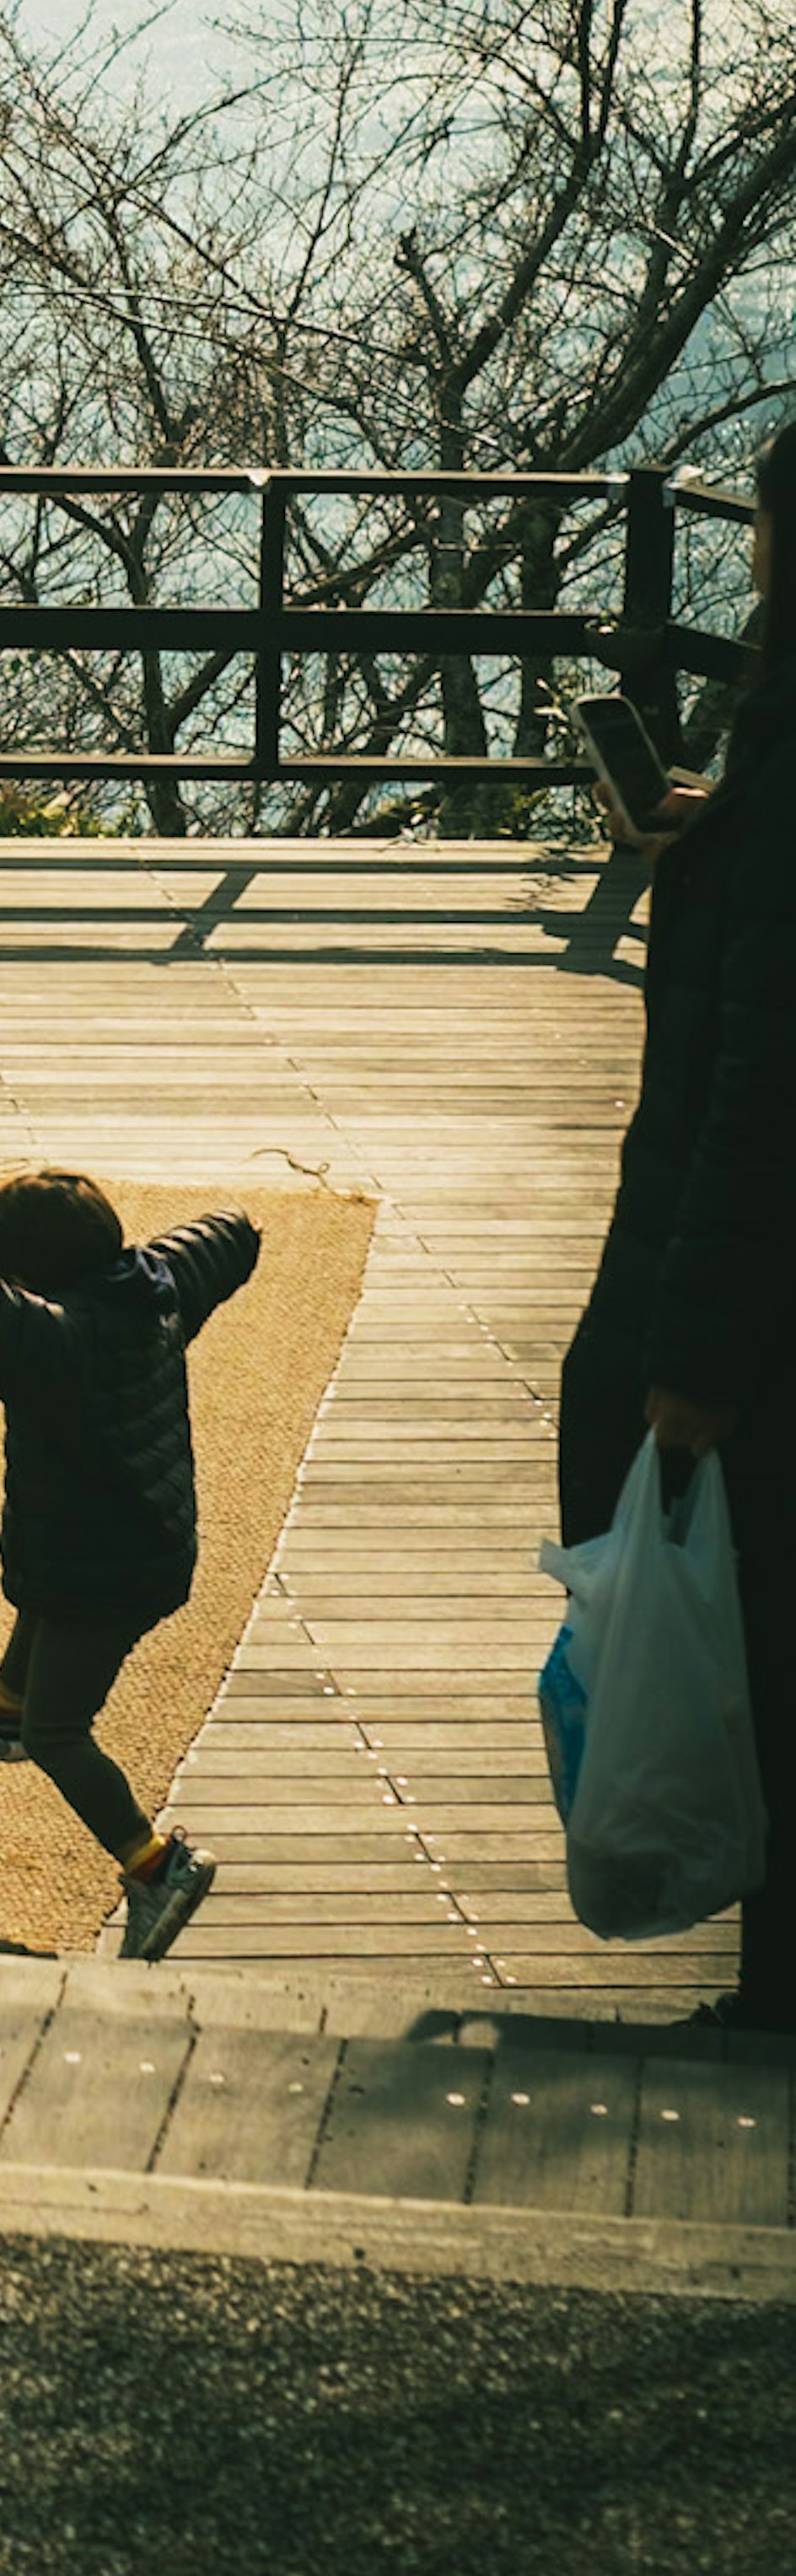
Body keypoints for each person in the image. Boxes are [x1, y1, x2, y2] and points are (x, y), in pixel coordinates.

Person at [560, 422, 796, 2030]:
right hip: (718, 1252)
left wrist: (697, 1350)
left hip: (731, 1281)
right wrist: (711, 834)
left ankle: (776, 1988)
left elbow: (762, 1088)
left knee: (755, 1636)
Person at [0, 1167, 261, 1967]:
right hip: (124, 1543)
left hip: (107, 1568)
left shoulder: (61, 1341)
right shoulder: (151, 1290)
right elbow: (211, 1247)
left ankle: (157, 1864)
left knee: (62, 1733)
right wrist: (241, 1226)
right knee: (42, 1605)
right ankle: (1, 1706)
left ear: (28, 1281)